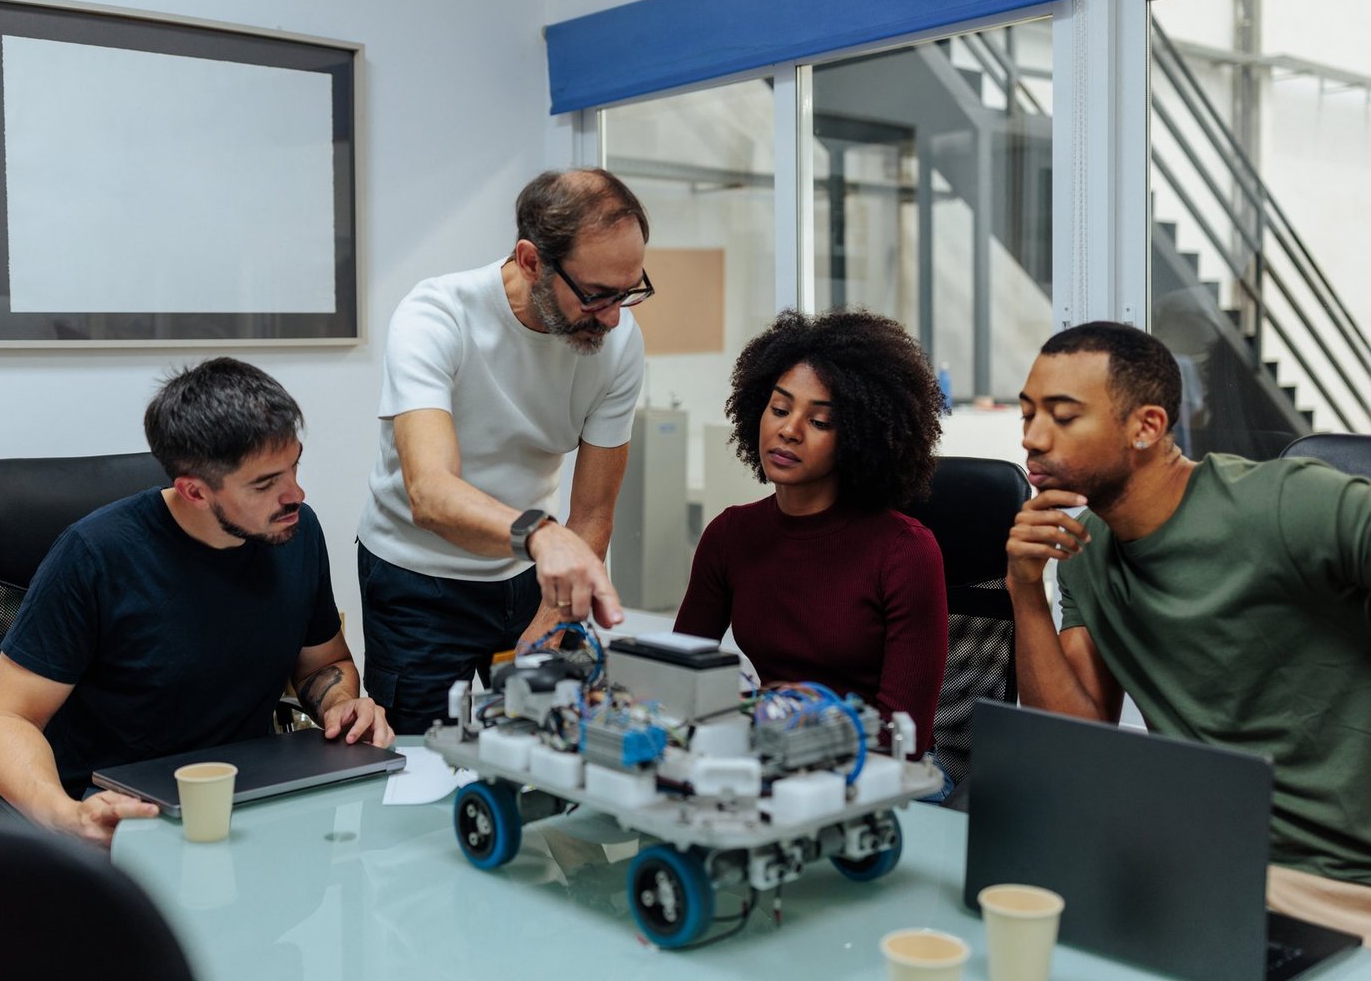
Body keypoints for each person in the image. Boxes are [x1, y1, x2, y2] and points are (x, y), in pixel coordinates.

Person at [1007, 321, 1371, 940]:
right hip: (1202, 867)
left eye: (1063, 417)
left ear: (1147, 427)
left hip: (1337, 884)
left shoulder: (1289, 505)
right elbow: (1080, 744)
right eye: (1028, 413)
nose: (1033, 438)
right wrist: (1025, 591)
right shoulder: (1087, 557)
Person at [0, 357, 392, 849]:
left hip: (248, 797)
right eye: (265, 483)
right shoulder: (94, 556)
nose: (295, 494)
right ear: (193, 490)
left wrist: (342, 704)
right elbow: (7, 718)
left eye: (294, 465)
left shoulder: (294, 534)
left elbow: (325, 664)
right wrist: (64, 815)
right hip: (121, 811)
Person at [357, 168, 651, 734]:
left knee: (541, 749)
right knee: (420, 761)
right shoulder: (437, 315)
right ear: (531, 260)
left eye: (629, 290)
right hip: (418, 579)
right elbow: (430, 492)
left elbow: (593, 513)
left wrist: (551, 618)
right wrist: (544, 535)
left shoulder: (619, 342)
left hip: (529, 577)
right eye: (595, 295)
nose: (614, 317)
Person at [674, 309, 949, 763]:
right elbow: (679, 676)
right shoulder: (729, 535)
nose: (789, 430)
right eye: (780, 409)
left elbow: (906, 737)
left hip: (878, 780)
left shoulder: (905, 551)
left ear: (861, 437)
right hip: (771, 761)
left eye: (820, 422)